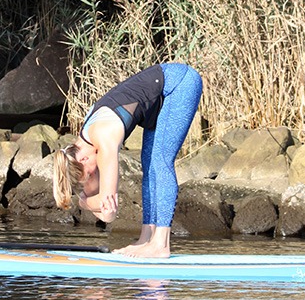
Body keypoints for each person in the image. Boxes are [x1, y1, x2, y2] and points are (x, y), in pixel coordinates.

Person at [52, 62, 202, 258]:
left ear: (83, 158)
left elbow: (109, 206)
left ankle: (160, 244)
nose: (92, 174)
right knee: (148, 166)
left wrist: (84, 203)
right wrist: (86, 200)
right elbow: (107, 214)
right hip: (158, 104)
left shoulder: (103, 137)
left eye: (88, 173)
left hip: (179, 83)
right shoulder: (84, 141)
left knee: (161, 161)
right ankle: (147, 238)